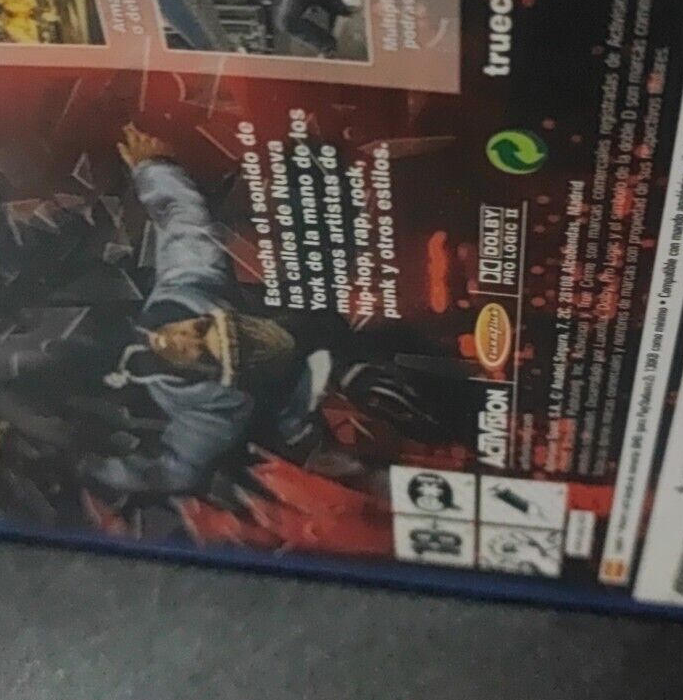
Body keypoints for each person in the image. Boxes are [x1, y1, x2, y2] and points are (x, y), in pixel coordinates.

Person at [80, 125, 435, 499]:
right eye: (200, 332)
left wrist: (87, 467)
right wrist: (155, 168)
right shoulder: (193, 288)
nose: (184, 337)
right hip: (304, 397)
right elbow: (185, 220)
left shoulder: (212, 413)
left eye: (201, 347)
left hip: (306, 395)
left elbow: (173, 471)